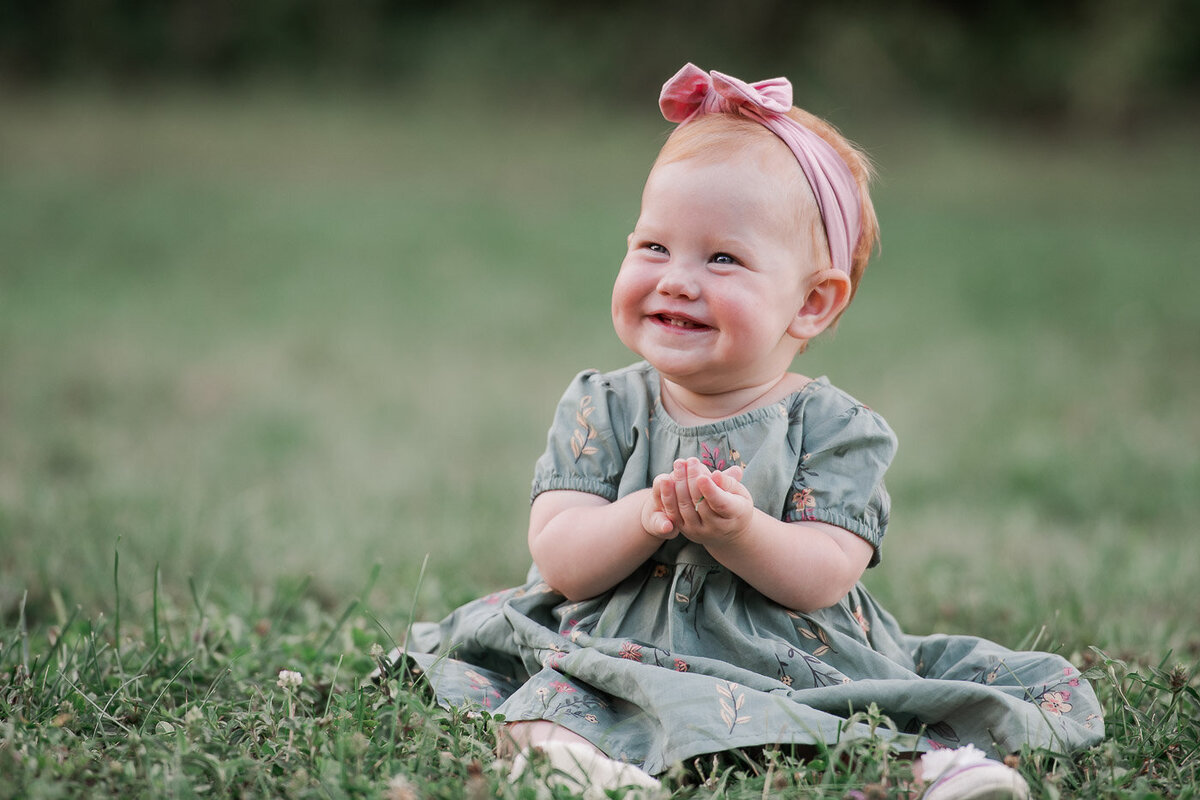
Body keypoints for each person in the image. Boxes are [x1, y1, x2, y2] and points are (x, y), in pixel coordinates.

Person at [386, 64, 1104, 798]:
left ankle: (937, 771)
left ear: (813, 304)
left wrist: (739, 532)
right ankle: (588, 771)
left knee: (829, 716)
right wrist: (645, 515)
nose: (675, 279)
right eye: (653, 247)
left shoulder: (833, 427)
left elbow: (827, 570)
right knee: (545, 704)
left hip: (779, 653)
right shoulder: (603, 404)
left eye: (722, 258)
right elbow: (562, 558)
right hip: (611, 646)